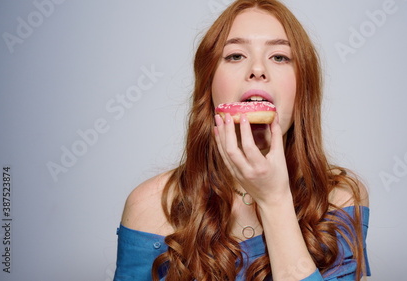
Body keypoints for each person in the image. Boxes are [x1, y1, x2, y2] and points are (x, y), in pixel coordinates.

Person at [114, 0, 370, 280]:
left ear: (303, 90)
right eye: (235, 56)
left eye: (280, 57)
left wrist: (274, 201)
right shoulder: (149, 206)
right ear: (208, 85)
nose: (258, 69)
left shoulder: (340, 198)